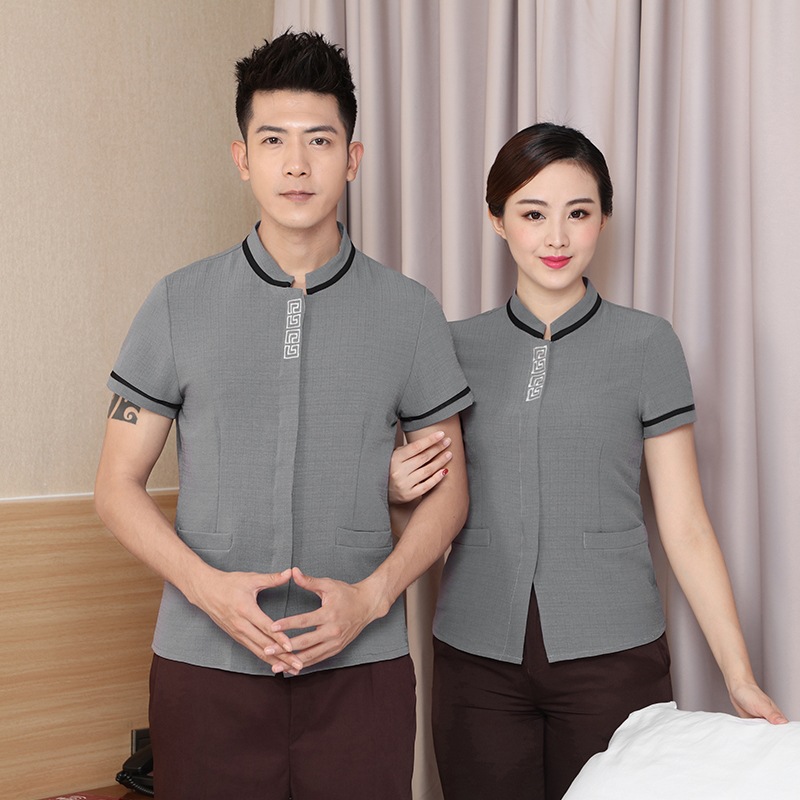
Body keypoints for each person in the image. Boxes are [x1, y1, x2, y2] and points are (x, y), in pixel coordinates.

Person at [94, 31, 472, 800]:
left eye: (319, 141)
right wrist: (208, 590)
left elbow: (451, 495)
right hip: (205, 668)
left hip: (362, 672)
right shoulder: (177, 303)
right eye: (273, 140)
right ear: (243, 158)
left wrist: (373, 597)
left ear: (352, 158)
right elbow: (115, 487)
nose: (296, 164)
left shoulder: (410, 313)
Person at [388, 122, 787, 800]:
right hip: (476, 663)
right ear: (497, 220)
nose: (557, 237)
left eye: (578, 213)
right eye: (532, 214)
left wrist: (739, 675)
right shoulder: (450, 347)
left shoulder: (647, 345)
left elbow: (685, 523)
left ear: (603, 218)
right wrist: (395, 490)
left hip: (615, 659)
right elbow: (424, 516)